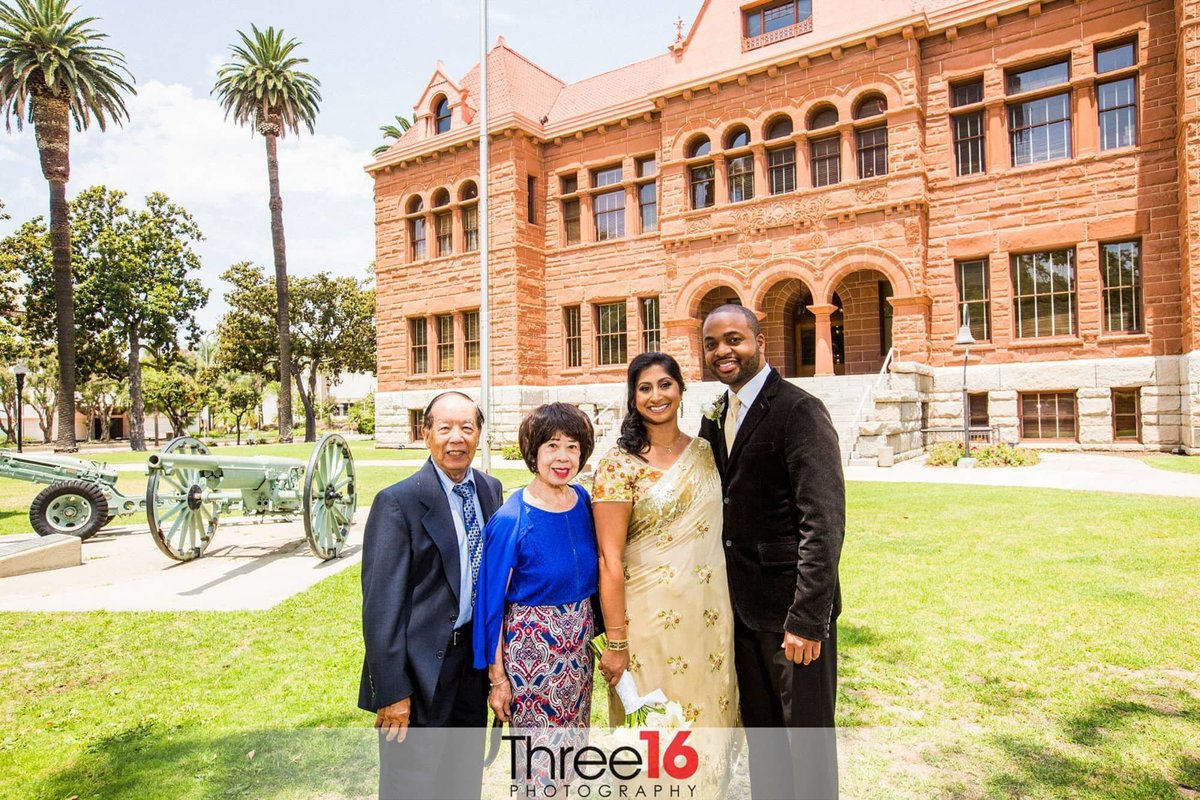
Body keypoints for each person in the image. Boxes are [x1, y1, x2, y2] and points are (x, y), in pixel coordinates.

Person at [698, 304, 845, 800]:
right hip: (740, 615)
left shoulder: (799, 410)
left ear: (760, 342)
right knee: (765, 747)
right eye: (713, 343)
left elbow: (822, 522)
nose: (723, 351)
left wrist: (807, 619)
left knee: (807, 752)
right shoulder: (717, 415)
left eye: (734, 339)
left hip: (791, 619)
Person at [592, 352, 739, 795]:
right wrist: (617, 644)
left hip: (712, 623)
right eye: (644, 388)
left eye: (664, 384)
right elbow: (608, 560)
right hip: (649, 629)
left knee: (709, 737)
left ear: (681, 388)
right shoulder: (619, 465)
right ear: (633, 398)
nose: (656, 396)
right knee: (655, 748)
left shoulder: (706, 453)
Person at [358, 391, 504, 800]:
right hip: (419, 675)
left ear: (479, 435)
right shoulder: (397, 503)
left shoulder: (490, 490)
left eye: (467, 427)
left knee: (461, 782)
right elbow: (381, 607)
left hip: (472, 668)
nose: (456, 438)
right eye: (445, 428)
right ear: (426, 434)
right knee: (412, 786)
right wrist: (391, 691)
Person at [473, 402, 598, 788]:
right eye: (552, 446)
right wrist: (498, 680)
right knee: (540, 774)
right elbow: (490, 608)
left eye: (573, 446)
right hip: (534, 660)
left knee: (569, 766)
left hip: (577, 657)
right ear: (533, 452)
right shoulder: (512, 518)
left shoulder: (583, 503)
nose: (563, 457)